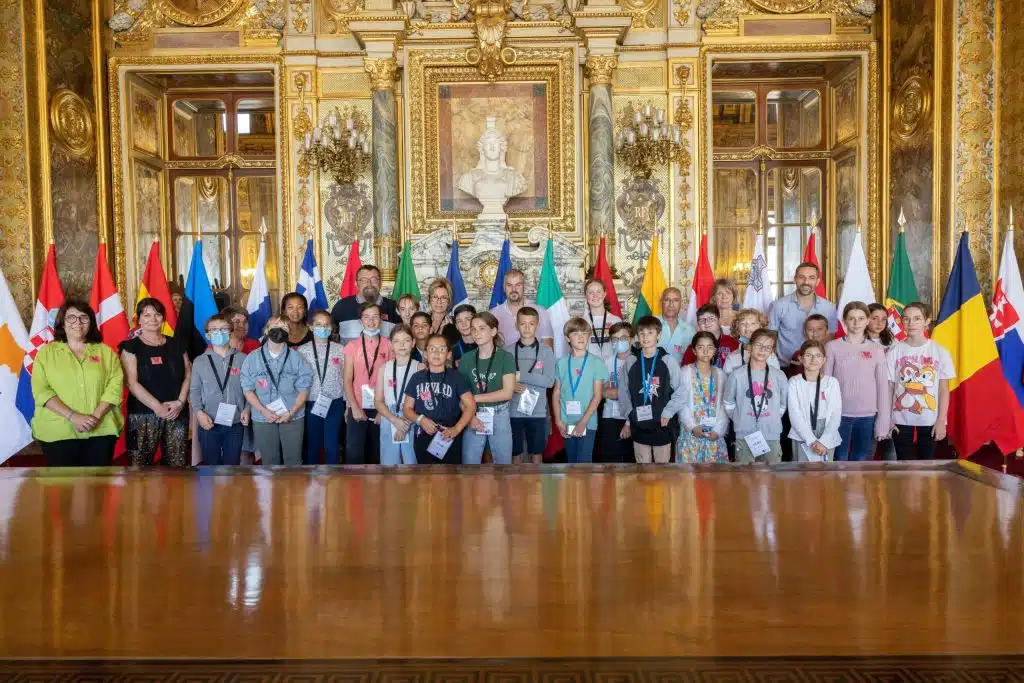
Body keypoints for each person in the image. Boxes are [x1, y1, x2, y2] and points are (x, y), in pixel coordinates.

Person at [30, 299, 124, 466]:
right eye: (71, 317)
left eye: (83, 317)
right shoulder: (45, 353)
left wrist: (94, 417)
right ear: (62, 323)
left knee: (97, 488)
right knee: (64, 488)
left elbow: (115, 386)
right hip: (58, 431)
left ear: (91, 322)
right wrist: (73, 417)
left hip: (100, 429)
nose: (78, 322)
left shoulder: (106, 352)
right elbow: (41, 391)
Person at [121, 298, 191, 467]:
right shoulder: (130, 346)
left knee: (176, 467)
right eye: (147, 315)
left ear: (163, 318)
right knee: (139, 468)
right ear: (139, 319)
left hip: (176, 411)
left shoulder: (177, 343)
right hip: (142, 414)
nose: (153, 319)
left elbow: (189, 373)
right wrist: (157, 407)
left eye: (157, 314)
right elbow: (131, 382)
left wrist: (181, 403)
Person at [241, 316, 312, 465]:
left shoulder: (298, 358)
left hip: (293, 416)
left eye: (284, 327)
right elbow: (247, 389)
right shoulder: (252, 358)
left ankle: (292, 489)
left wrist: (291, 412)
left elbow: (304, 388)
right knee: (269, 461)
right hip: (263, 417)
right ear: (266, 330)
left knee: (293, 460)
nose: (279, 329)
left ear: (289, 332)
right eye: (275, 325)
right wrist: (263, 411)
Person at [886, 302, 953, 460]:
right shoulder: (894, 351)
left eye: (917, 318)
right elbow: (889, 387)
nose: (911, 323)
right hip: (900, 418)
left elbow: (944, 390)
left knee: (927, 466)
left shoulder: (940, 351)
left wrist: (941, 420)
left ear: (927, 321)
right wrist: (888, 418)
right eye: (906, 319)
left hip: (930, 419)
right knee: (904, 465)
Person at [825, 302, 891, 461]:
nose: (856, 323)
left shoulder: (876, 349)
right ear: (844, 320)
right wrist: (825, 417)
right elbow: (825, 385)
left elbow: (883, 387)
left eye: (861, 318)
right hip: (839, 415)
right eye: (852, 318)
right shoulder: (832, 347)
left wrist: (883, 424)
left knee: (861, 460)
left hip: (867, 416)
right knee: (839, 459)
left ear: (867, 320)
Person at [618, 316, 686, 463]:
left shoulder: (668, 361)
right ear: (637, 336)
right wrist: (629, 416)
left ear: (659, 335)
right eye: (641, 333)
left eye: (650, 333)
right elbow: (623, 392)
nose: (645, 337)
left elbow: (681, 391)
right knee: (642, 470)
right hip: (639, 424)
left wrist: (668, 412)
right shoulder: (631, 361)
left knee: (662, 472)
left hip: (662, 424)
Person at [403, 333, 476, 464]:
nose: (436, 353)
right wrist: (421, 420)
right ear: (425, 353)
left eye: (441, 349)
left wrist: (457, 428)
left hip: (449, 435)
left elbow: (470, 405)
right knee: (426, 479)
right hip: (424, 433)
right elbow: (407, 408)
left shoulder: (456, 377)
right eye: (432, 349)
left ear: (448, 354)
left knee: (451, 478)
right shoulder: (417, 377)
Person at [190, 313, 249, 466]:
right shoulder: (200, 361)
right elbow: (195, 390)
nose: (219, 333)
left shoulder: (243, 359)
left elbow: (250, 389)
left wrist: (248, 409)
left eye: (223, 329)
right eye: (214, 330)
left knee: (232, 465)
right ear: (208, 335)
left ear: (230, 333)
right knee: (210, 467)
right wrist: (199, 412)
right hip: (208, 422)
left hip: (235, 422)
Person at [459, 312, 516, 464]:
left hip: (500, 413)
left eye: (482, 328)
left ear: (493, 331)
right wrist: (470, 417)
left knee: (503, 464)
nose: (476, 333)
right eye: (473, 329)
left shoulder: (506, 357)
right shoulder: (466, 359)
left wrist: (474, 398)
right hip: (473, 413)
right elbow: (461, 397)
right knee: (470, 463)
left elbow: (507, 392)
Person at [724, 329, 788, 464]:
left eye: (768, 347)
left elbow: (782, 405)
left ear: (772, 351)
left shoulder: (779, 375)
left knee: (771, 479)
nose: (762, 350)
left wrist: (771, 417)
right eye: (759, 345)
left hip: (772, 434)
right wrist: (740, 418)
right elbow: (728, 404)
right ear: (749, 346)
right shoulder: (737, 375)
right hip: (744, 434)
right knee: (745, 480)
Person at [343, 301, 393, 465]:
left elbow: (391, 380)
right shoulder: (352, 346)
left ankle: (377, 490)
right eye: (366, 317)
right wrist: (353, 407)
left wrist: (383, 410)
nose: (371, 321)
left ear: (381, 319)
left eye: (375, 317)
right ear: (360, 320)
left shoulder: (389, 345)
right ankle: (355, 490)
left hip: (381, 407)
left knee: (377, 454)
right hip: (357, 406)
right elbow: (347, 380)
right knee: (355, 454)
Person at [553, 317, 608, 463]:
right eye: (576, 333)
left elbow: (598, 395)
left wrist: (583, 422)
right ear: (567, 338)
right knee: (571, 461)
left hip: (587, 422)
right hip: (566, 421)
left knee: (584, 463)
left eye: (584, 333)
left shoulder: (596, 363)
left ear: (589, 337)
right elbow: (556, 393)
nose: (581, 337)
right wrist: (558, 420)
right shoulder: (561, 363)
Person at [507, 306, 557, 464]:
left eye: (531, 324)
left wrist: (520, 376)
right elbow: (502, 381)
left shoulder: (546, 351)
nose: (527, 328)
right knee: (516, 456)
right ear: (516, 325)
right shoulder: (507, 352)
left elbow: (549, 381)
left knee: (536, 455)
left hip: (537, 413)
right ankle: (515, 488)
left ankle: (536, 489)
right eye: (522, 324)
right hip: (513, 412)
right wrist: (511, 386)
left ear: (537, 325)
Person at [768, 262, 837, 368]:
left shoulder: (829, 308)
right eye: (801, 277)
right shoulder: (778, 305)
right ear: (795, 279)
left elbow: (830, 340)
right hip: (785, 368)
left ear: (817, 281)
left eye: (811, 278)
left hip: (817, 368)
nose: (806, 282)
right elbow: (770, 338)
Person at [298, 310, 345, 465]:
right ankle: (311, 482)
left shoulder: (340, 349)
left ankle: (334, 482)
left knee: (332, 444)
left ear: (331, 328)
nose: (323, 328)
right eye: (318, 325)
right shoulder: (302, 351)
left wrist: (347, 404)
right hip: (312, 402)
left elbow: (345, 376)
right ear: (311, 327)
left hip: (335, 402)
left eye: (326, 325)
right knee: (313, 444)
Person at [676, 332, 729, 463]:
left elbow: (724, 405)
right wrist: (692, 426)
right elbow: (681, 404)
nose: (705, 351)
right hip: (691, 435)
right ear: (694, 350)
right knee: (689, 480)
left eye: (710, 347)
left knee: (714, 479)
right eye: (700, 347)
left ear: (715, 350)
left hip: (714, 436)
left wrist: (718, 430)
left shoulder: (721, 374)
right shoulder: (685, 372)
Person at [787, 340, 842, 462]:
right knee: (803, 476)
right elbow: (795, 415)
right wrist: (812, 441)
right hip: (802, 433)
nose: (813, 359)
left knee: (825, 477)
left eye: (818, 356)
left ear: (824, 360)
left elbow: (835, 415)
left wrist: (823, 442)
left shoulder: (832, 382)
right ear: (800, 358)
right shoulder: (794, 382)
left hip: (827, 432)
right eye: (808, 355)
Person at [375, 324, 422, 465]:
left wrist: (405, 423)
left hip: (412, 418)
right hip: (389, 418)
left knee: (411, 463)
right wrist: (395, 420)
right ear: (391, 344)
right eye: (397, 341)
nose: (402, 345)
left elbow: (423, 401)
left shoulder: (420, 367)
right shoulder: (384, 368)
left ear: (413, 342)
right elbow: (378, 401)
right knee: (389, 465)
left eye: (406, 340)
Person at [597, 321, 634, 463]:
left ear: (631, 339)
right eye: (615, 339)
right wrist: (622, 393)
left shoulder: (637, 361)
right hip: (609, 416)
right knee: (609, 461)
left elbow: (637, 396)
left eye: (623, 338)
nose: (619, 342)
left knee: (630, 462)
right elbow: (601, 391)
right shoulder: (606, 362)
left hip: (631, 419)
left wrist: (629, 424)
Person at [331, 264, 398, 342]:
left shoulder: (393, 307)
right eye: (363, 280)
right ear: (356, 284)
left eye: (374, 280)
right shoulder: (342, 306)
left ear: (380, 282)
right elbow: (330, 336)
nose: (369, 284)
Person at [491, 269, 554, 348]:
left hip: (535, 360)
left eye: (518, 285)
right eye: (509, 285)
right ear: (504, 287)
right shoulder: (494, 314)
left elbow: (548, 348)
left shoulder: (541, 312)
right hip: (504, 360)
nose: (514, 289)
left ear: (524, 286)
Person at [722, 308, 780, 376]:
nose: (748, 327)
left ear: (760, 327)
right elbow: (727, 384)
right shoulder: (731, 358)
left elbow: (777, 379)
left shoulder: (769, 355)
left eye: (752, 323)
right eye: (743, 324)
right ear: (737, 329)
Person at [583, 279, 621, 357]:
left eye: (598, 292)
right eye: (591, 293)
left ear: (604, 294)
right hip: (589, 366)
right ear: (585, 296)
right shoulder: (582, 322)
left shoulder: (616, 321)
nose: (595, 295)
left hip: (611, 367)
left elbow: (621, 349)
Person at [658, 287, 695, 364]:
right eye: (667, 300)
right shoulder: (649, 324)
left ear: (680, 303)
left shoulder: (690, 330)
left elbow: (692, 358)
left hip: (680, 374)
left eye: (675, 300)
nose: (671, 304)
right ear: (661, 302)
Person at [786, 313, 830, 378]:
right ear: (804, 332)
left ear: (827, 332)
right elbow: (793, 378)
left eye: (819, 329)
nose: (815, 332)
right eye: (810, 329)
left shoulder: (832, 353)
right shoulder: (797, 355)